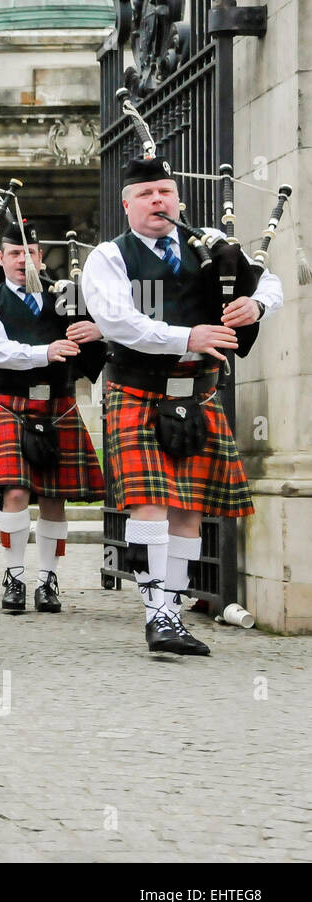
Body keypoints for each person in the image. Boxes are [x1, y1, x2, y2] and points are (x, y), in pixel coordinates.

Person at [81, 156, 282, 655]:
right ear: (127, 204)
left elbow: (268, 278)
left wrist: (256, 305)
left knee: (189, 511)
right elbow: (116, 321)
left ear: (178, 200)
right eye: (146, 194)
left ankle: (171, 612)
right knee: (150, 504)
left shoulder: (209, 245)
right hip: (136, 390)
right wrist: (186, 334)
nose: (158, 201)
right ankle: (157, 616)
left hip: (199, 393)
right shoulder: (110, 256)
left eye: (165, 193)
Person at [0, 219, 105, 613]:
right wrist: (45, 352)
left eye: (29, 252)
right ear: (0, 258)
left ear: (40, 256)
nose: (22, 260)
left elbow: (100, 337)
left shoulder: (64, 296)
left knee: (54, 497)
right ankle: (14, 577)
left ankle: (48, 581)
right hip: (10, 404)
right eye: (14, 253)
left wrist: (93, 329)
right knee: (15, 492)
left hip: (59, 404)